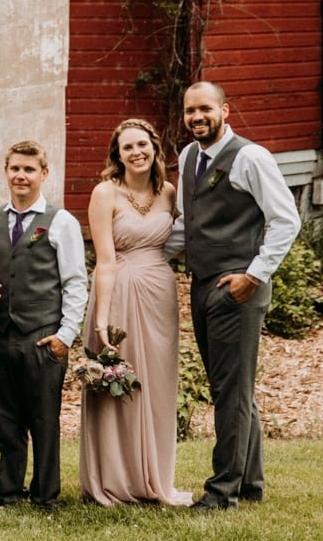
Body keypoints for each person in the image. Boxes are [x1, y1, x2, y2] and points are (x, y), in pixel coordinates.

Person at [167, 81, 299, 510]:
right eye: (190, 111)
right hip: (203, 283)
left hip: (238, 288)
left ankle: (222, 491)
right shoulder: (188, 157)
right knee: (233, 388)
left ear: (226, 110)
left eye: (205, 108)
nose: (197, 117)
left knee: (232, 392)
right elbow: (188, 225)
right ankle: (250, 483)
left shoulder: (251, 157)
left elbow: (285, 220)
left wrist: (254, 276)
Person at [80, 120, 193, 507]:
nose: (136, 152)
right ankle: (115, 479)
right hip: (120, 289)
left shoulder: (169, 193)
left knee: (157, 384)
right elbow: (106, 260)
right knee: (119, 383)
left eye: (142, 144)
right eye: (127, 147)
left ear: (154, 148)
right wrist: (100, 318)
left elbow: (178, 242)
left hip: (160, 292)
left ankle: (157, 478)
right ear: (118, 154)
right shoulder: (104, 193)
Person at [0, 140, 89, 508]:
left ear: (43, 174)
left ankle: (45, 493)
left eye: (29, 169)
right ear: (6, 172)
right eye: (15, 169)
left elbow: (75, 282)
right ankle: (9, 491)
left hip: (43, 334)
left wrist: (65, 336)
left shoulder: (61, 222)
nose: (21, 176)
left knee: (43, 418)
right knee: (5, 417)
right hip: (1, 332)